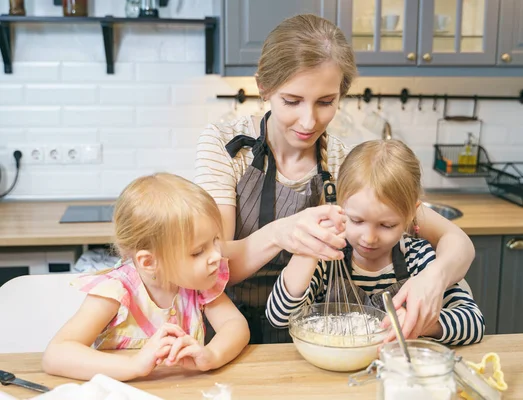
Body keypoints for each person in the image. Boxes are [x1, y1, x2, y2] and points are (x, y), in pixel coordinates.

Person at [195, 14, 475, 344]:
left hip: (307, 335)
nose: (309, 120)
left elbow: (458, 243)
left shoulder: (344, 163)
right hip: (228, 333)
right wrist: (280, 233)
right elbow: (210, 267)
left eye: (326, 102)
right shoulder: (226, 146)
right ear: (263, 87)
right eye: (292, 101)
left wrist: (434, 279)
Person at [266, 140, 484, 345]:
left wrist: (421, 322)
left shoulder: (419, 258)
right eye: (357, 220)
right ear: (339, 205)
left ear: (410, 216)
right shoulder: (326, 260)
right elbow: (279, 317)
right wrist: (309, 251)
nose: (369, 238)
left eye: (386, 225)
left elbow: (474, 323)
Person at [42, 173, 250, 381]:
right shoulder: (116, 291)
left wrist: (212, 355)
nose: (216, 256)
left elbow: (235, 325)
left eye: (215, 240)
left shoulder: (198, 283)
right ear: (149, 262)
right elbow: (56, 354)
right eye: (197, 252)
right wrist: (133, 365)